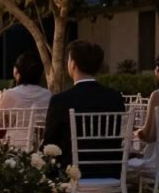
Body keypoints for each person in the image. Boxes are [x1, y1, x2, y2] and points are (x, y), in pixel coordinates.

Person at [42, 40, 125, 176]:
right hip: (110, 170)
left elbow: (50, 142)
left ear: (73, 64)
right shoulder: (115, 97)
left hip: (72, 170)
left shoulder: (61, 100)